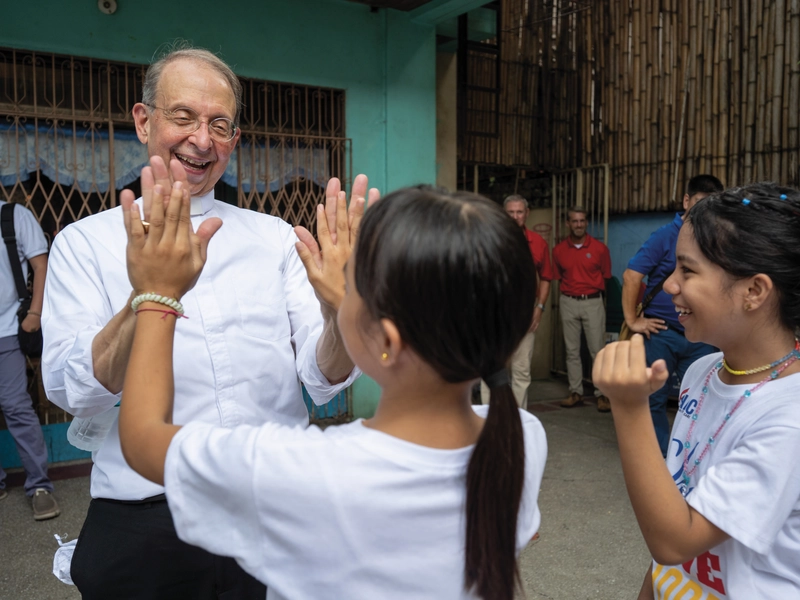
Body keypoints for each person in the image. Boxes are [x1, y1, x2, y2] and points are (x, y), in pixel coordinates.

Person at [41, 45, 374, 599]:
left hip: (272, 503)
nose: (202, 140)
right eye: (184, 117)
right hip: (145, 510)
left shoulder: (274, 239)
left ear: (235, 141)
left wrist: (342, 313)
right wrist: (150, 291)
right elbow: (72, 389)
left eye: (220, 124)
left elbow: (322, 378)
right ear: (144, 121)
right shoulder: (84, 243)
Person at [117, 182, 548, 600]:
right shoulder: (521, 437)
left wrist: (158, 292)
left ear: (388, 343)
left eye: (352, 281)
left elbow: (141, 438)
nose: (339, 288)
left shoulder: (302, 472)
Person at [594, 182, 800, 599]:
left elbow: (674, 541)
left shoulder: (788, 419)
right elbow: (674, 528)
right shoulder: (703, 372)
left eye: (687, 271)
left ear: (754, 291)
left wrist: (629, 408)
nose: (669, 285)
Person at [622, 174, 723, 456]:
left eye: (712, 204)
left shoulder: (718, 238)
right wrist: (633, 321)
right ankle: (661, 458)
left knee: (705, 397)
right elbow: (631, 276)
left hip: (701, 333)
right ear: (686, 201)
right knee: (653, 396)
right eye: (701, 203)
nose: (706, 211)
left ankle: (695, 455)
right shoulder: (665, 236)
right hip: (662, 332)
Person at [0, 200, 59, 520]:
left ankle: (40, 486)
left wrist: (35, 312)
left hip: (7, 327)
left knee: (14, 405)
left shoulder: (11, 216)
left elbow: (41, 265)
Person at [480, 194, 553, 408]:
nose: (515, 216)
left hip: (526, 314)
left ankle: (519, 420)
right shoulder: (491, 239)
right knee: (492, 369)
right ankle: (490, 417)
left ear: (527, 213)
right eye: (510, 212)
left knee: (522, 371)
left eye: (519, 212)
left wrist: (539, 307)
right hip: (496, 313)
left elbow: (547, 277)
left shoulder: (538, 243)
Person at [552, 206, 612, 411]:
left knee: (597, 351)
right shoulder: (558, 251)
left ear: (586, 223)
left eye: (582, 221)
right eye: (574, 221)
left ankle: (602, 394)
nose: (578, 225)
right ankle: (575, 391)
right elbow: (559, 275)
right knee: (571, 351)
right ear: (568, 224)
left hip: (593, 302)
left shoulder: (600, 249)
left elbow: (606, 276)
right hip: (568, 301)